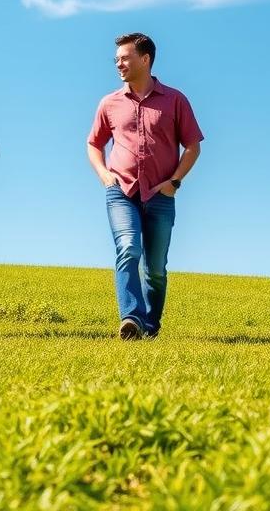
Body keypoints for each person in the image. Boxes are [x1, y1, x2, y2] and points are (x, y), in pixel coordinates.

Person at [87, 32, 203, 339]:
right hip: (121, 191)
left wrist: (174, 182)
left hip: (161, 194)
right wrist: (103, 173)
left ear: (145, 59)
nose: (119, 64)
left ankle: (150, 326)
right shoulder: (109, 103)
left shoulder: (175, 100)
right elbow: (93, 143)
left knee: (155, 268)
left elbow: (192, 146)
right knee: (128, 248)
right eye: (116, 60)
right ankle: (131, 319)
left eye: (125, 58)